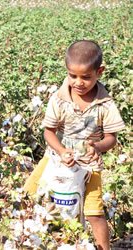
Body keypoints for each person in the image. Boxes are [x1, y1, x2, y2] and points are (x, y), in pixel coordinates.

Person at [23, 40, 125, 250]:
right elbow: (48, 132)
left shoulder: (105, 104)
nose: (78, 82)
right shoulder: (58, 99)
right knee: (30, 192)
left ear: (100, 72)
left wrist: (97, 147)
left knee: (93, 211)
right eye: (73, 76)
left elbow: (111, 138)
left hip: (89, 165)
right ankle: (34, 239)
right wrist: (61, 151)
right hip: (56, 159)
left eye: (86, 77)